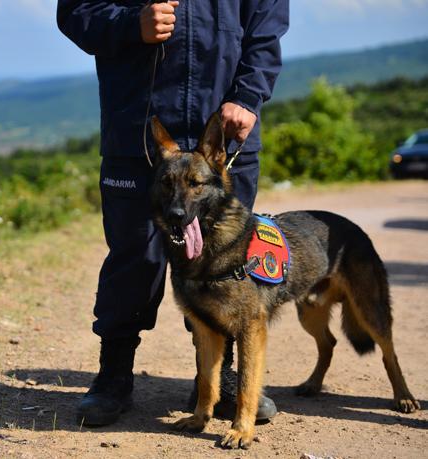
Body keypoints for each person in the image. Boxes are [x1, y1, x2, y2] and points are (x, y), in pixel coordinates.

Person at [57, 0, 289, 426]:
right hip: (141, 132)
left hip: (223, 134)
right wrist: (131, 23)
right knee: (134, 257)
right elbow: (75, 13)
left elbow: (267, 27)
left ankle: (223, 383)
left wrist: (248, 96)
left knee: (224, 264)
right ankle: (113, 377)